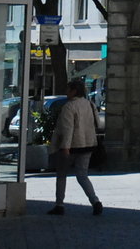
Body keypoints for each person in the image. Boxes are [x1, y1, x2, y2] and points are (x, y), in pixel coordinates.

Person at [47, 79, 102, 216]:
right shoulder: (90, 104)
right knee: (82, 175)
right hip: (88, 144)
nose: (66, 92)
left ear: (74, 91)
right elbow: (98, 124)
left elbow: (67, 128)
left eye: (68, 89)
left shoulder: (69, 107)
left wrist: (65, 147)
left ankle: (59, 204)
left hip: (72, 146)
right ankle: (95, 201)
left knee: (61, 175)